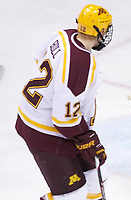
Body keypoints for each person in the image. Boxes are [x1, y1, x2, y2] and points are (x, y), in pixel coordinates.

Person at [15, 4, 113, 200]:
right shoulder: (80, 65)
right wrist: (85, 138)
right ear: (98, 31)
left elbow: (38, 55)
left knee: (97, 176)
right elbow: (63, 119)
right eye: (105, 28)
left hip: (54, 121)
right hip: (44, 130)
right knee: (73, 195)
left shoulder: (63, 35)